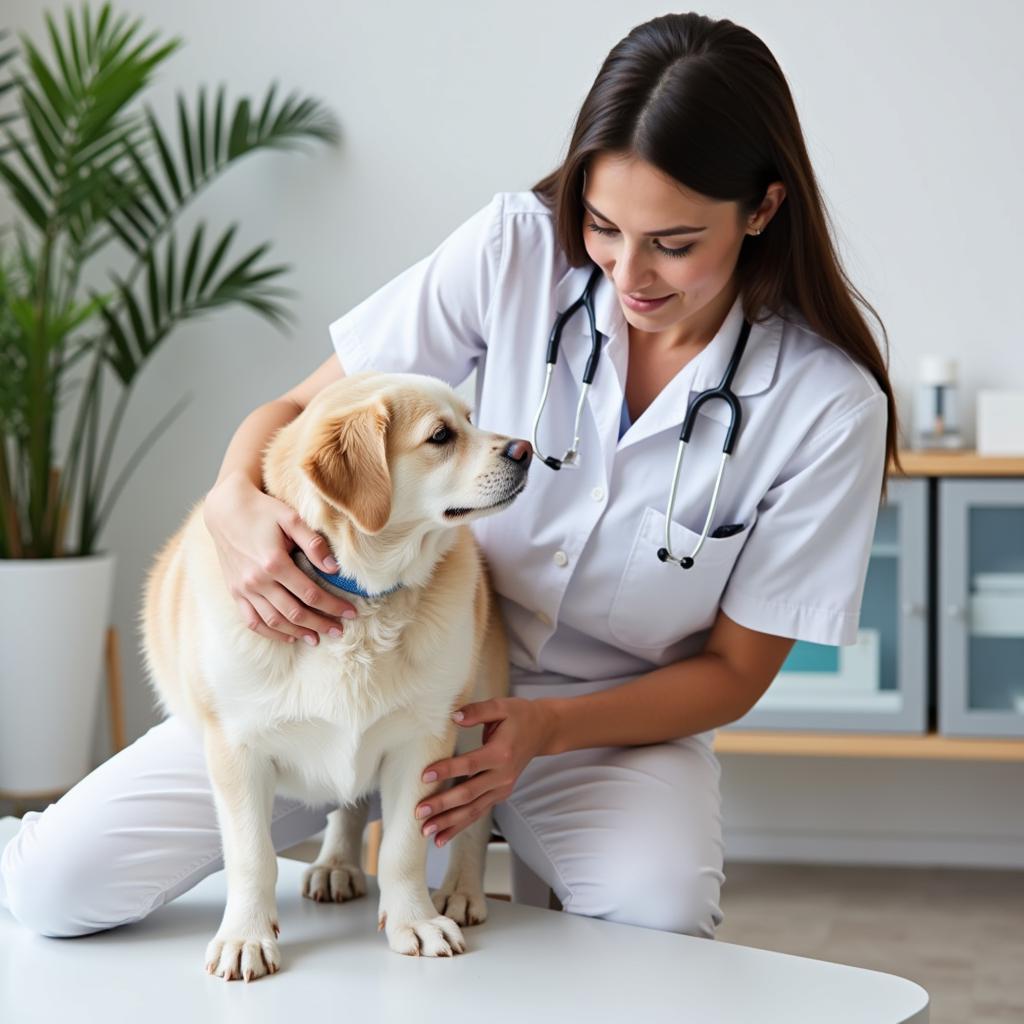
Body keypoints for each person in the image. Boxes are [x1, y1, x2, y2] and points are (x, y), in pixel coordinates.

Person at [1, 11, 899, 941]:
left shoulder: (827, 408)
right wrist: (233, 500)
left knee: (658, 917)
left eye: (673, 243)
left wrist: (544, 732)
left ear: (762, 209)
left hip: (608, 725)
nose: (628, 273)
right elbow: (299, 418)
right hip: (385, 669)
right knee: (58, 887)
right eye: (601, 225)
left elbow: (734, 673)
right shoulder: (514, 249)